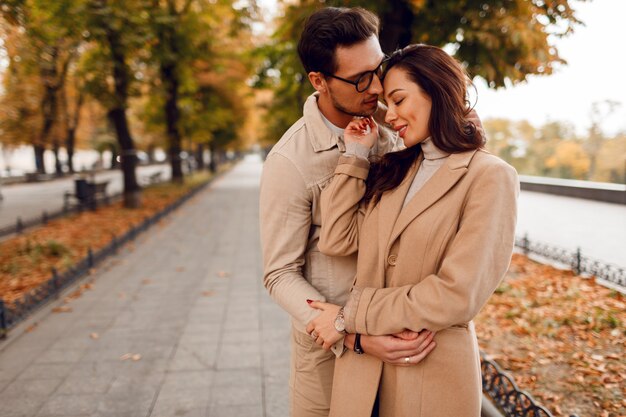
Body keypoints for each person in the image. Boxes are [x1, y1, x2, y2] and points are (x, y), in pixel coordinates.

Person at [306, 44, 519, 417]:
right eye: (388, 104)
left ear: (436, 90)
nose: (391, 116)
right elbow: (337, 238)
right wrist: (355, 156)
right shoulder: (396, 169)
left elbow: (457, 294)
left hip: (429, 377)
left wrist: (349, 316)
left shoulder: (490, 176)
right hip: (360, 377)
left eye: (399, 100)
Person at [259, 8, 437, 417]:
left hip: (400, 338)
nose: (375, 86)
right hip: (330, 354)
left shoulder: (397, 128)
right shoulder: (290, 161)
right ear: (319, 80)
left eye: (378, 68)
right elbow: (279, 273)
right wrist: (347, 332)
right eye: (359, 79)